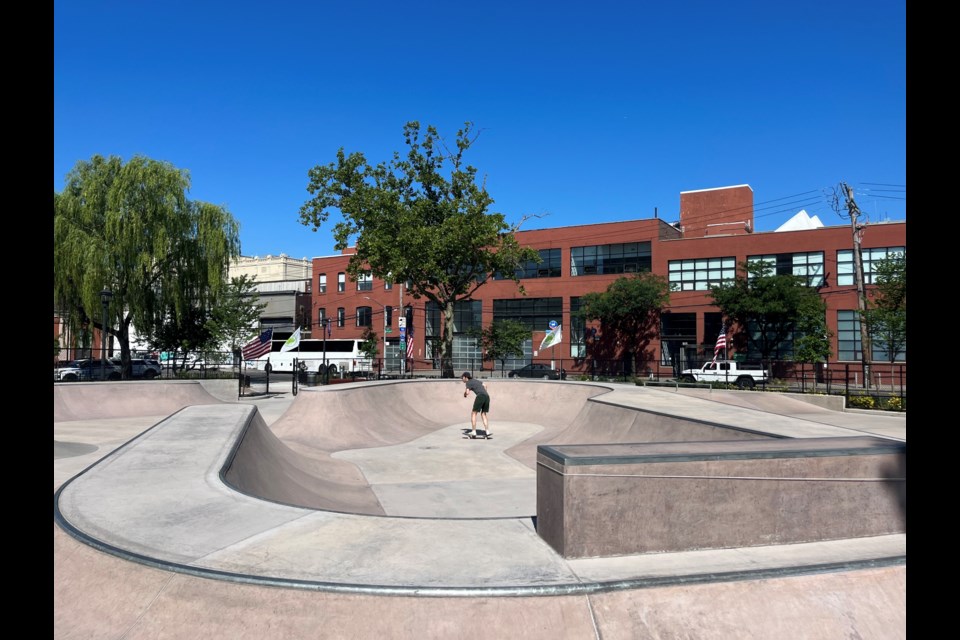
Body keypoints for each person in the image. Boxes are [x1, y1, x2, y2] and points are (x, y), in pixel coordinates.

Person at [461, 371, 491, 439]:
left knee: (474, 413)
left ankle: (474, 431)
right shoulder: (476, 380)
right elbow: (485, 385)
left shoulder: (468, 383)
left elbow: (467, 393)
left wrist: (465, 394)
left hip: (480, 396)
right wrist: (484, 392)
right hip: (487, 396)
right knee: (483, 414)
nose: (462, 379)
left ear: (466, 377)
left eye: (462, 378)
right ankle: (487, 431)